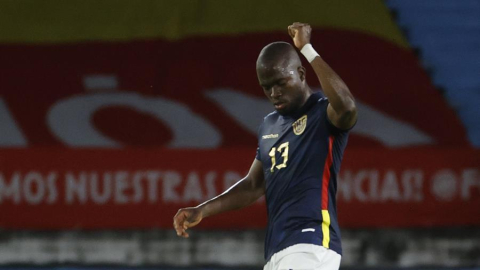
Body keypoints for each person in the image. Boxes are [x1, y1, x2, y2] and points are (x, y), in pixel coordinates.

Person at [173, 22, 357, 270]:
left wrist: (307, 49)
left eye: (281, 82)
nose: (274, 92)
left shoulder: (323, 114)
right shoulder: (269, 126)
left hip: (311, 244)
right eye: (266, 86)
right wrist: (203, 210)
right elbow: (253, 184)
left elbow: (347, 106)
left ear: (301, 75)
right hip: (277, 250)